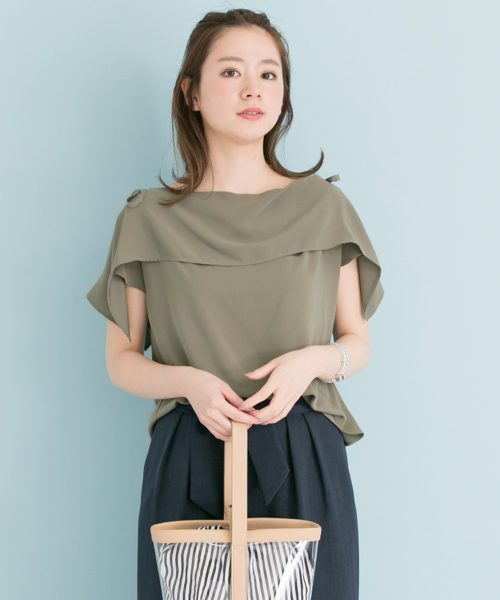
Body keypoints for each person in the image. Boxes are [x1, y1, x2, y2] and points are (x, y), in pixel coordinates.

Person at [86, 8, 384, 600]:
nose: (253, 89)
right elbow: (121, 358)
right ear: (191, 93)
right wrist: (190, 383)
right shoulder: (147, 218)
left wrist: (310, 363)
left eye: (269, 74)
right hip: (190, 452)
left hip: (303, 449)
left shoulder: (324, 208)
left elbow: (356, 340)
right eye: (230, 72)